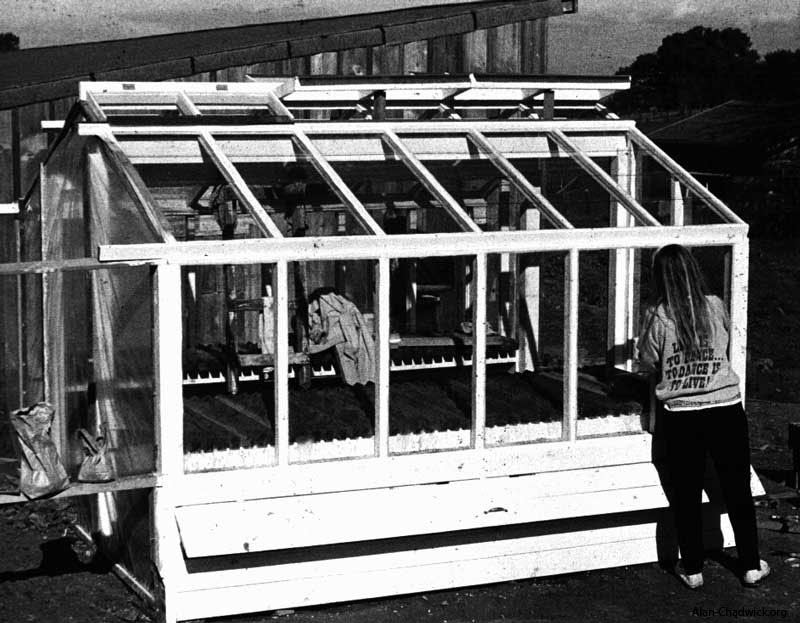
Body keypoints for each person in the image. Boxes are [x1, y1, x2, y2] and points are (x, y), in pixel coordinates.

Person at [637, 244, 770, 589]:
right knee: (737, 488)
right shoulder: (715, 306)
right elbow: (724, 343)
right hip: (725, 407)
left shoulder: (655, 314)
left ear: (658, 277)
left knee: (685, 493)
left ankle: (693, 569)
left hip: (682, 415)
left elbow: (648, 359)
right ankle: (751, 565)